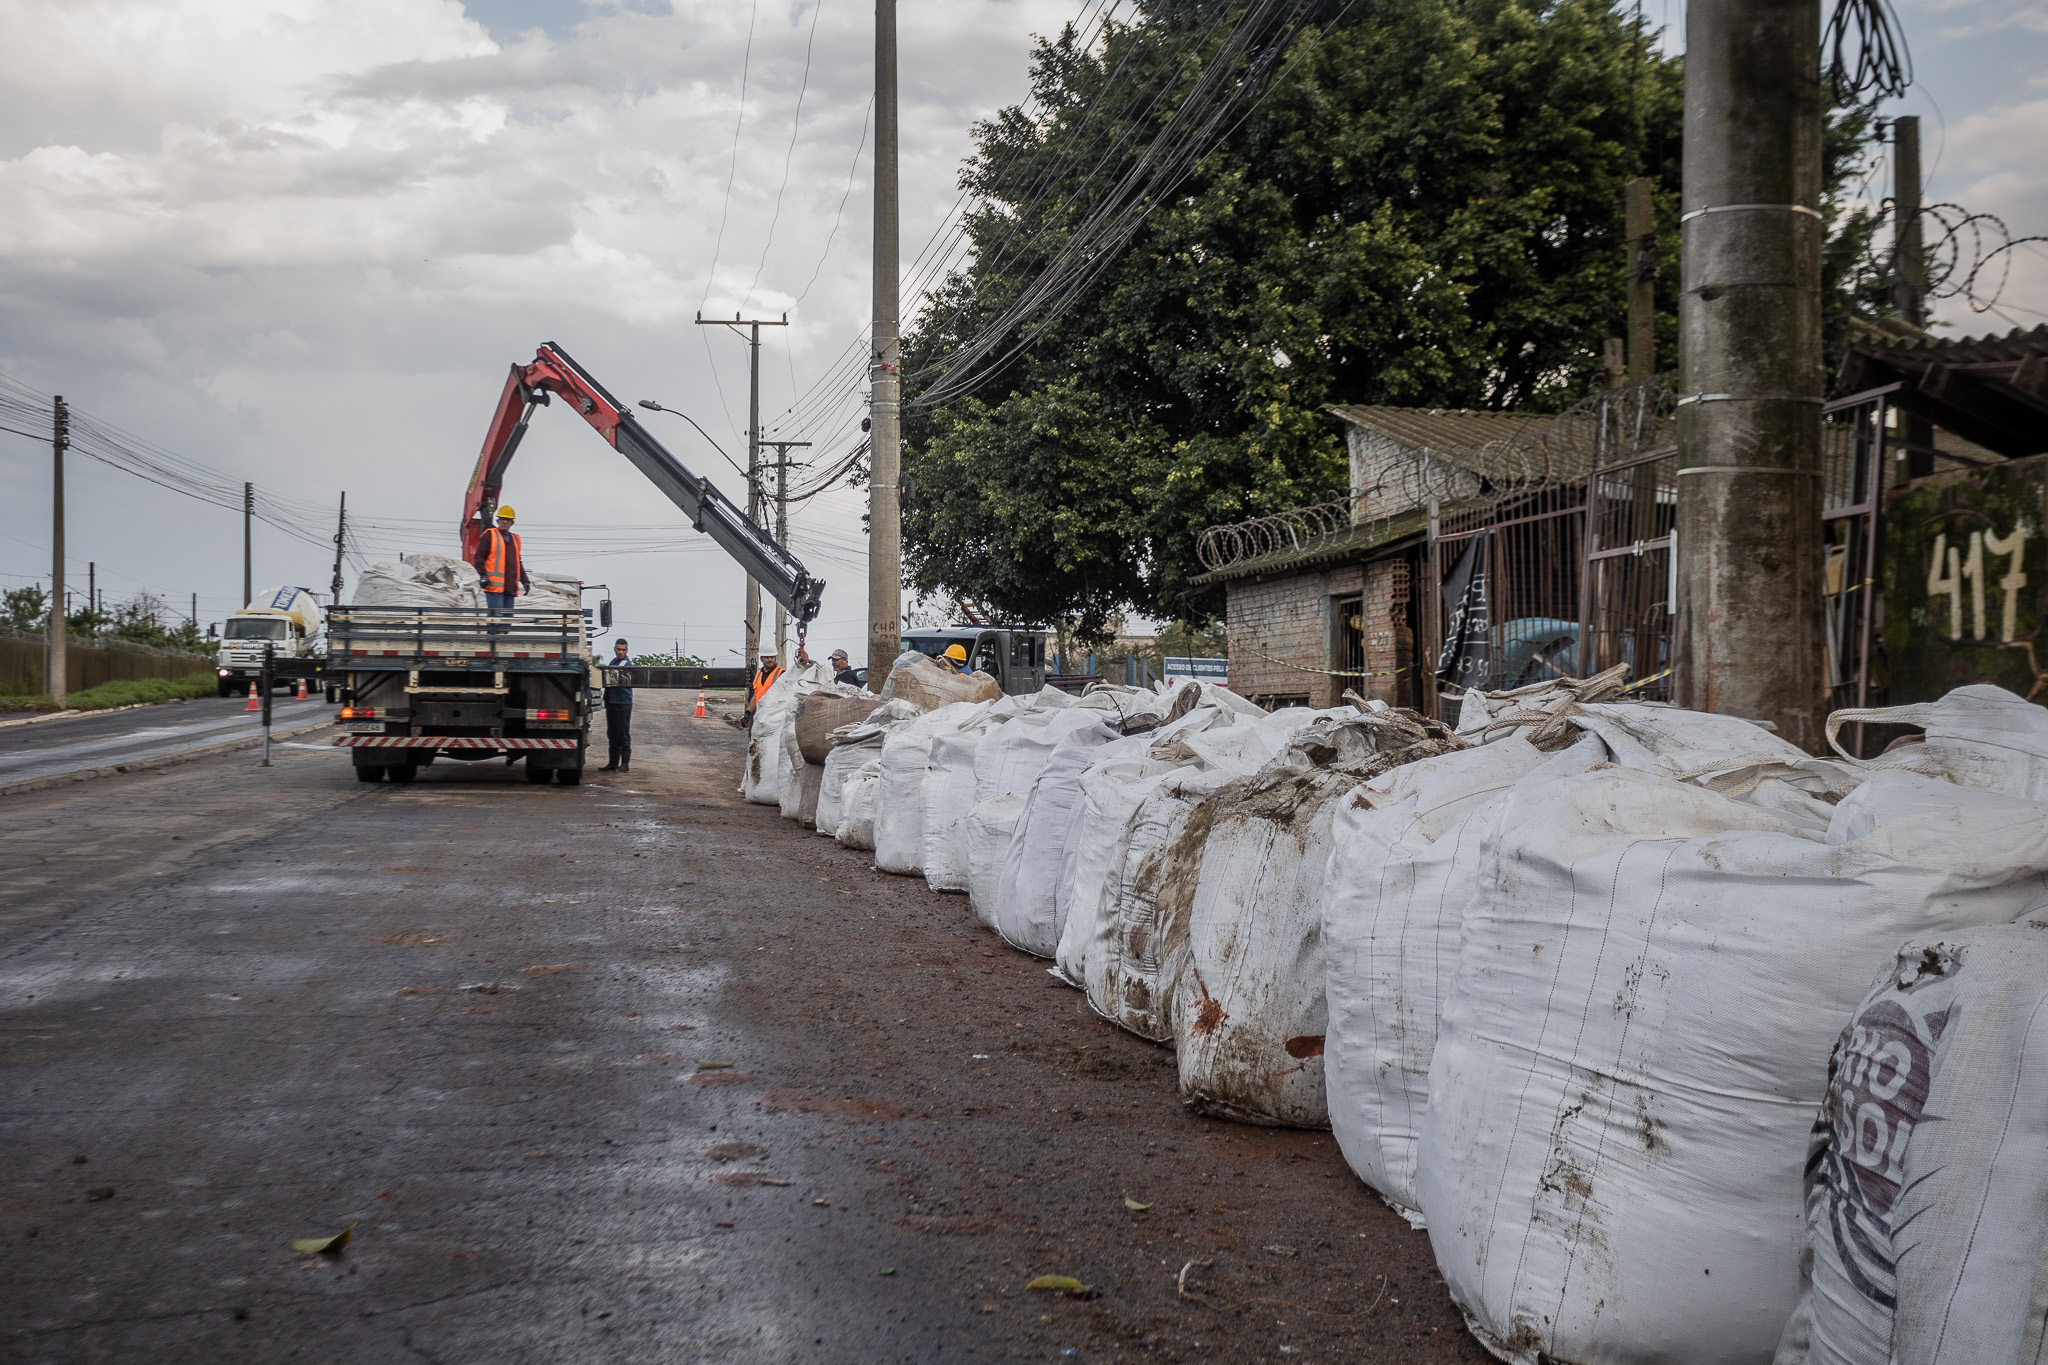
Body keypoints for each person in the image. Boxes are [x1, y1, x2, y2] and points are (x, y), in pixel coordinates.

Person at [473, 505, 530, 620]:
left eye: (508, 520)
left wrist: (525, 581)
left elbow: (518, 563)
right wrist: (483, 575)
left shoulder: (515, 539)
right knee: (496, 618)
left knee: (507, 619)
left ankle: (504, 637)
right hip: (494, 586)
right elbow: (479, 557)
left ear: (512, 523)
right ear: (497, 521)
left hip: (510, 586)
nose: (505, 522)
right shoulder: (490, 535)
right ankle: (494, 638)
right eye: (502, 519)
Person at [600, 637, 632, 773]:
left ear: (626, 650)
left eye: (623, 650)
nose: (620, 652)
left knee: (622, 734)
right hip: (612, 702)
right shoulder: (613, 662)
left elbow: (612, 677)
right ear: (614, 649)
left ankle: (625, 764)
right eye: (618, 649)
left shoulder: (626, 664)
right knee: (612, 733)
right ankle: (612, 763)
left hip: (623, 703)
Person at [743, 649, 782, 729]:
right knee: (754, 739)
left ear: (775, 658)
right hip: (758, 716)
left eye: (772, 657)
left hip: (773, 717)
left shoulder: (782, 674)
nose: (770, 660)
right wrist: (747, 712)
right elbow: (755, 696)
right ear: (761, 659)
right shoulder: (758, 674)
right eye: (767, 657)